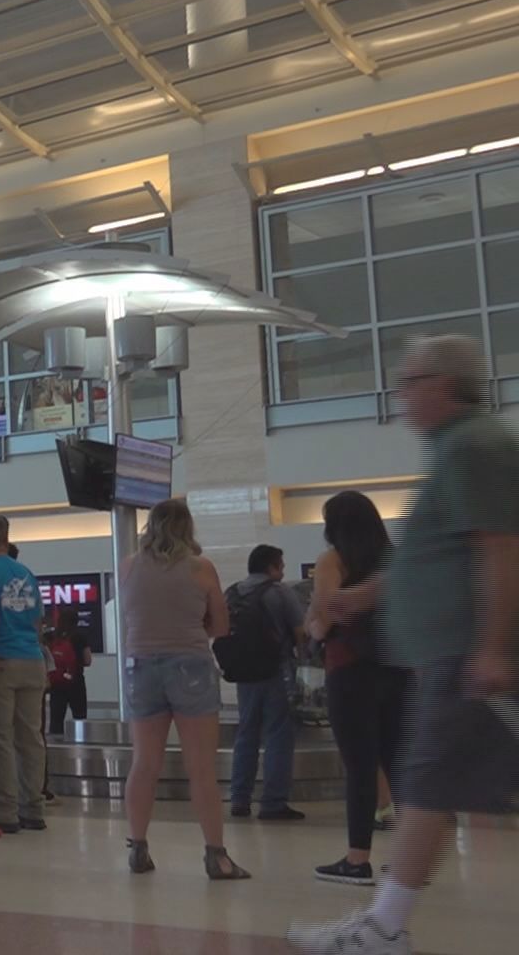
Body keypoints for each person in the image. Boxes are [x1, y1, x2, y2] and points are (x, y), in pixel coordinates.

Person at [291, 336, 519, 954]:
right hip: (449, 655)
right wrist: (361, 597)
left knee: (427, 784)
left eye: (413, 378)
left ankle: (382, 928)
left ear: (446, 385)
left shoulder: (475, 448)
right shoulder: (457, 452)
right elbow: (434, 557)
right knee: (431, 783)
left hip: (465, 654)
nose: (402, 390)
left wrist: (496, 647)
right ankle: (383, 923)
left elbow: (501, 550)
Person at [119, 498, 246, 880]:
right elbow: (221, 627)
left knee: (144, 764)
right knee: (201, 767)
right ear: (187, 526)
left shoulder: (127, 567)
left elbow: (130, 615)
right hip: (190, 664)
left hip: (140, 666)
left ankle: (137, 849)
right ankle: (216, 856)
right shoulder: (201, 567)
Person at [306, 490, 408, 887]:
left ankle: (357, 859)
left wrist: (314, 627)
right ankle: (406, 860)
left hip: (350, 671)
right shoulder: (395, 558)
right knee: (397, 764)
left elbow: (325, 617)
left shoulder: (334, 560)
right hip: (396, 668)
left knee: (360, 766)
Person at [225, 544, 308, 822]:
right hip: (275, 672)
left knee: (247, 733)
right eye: (281, 566)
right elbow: (301, 632)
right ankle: (273, 802)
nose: (283, 572)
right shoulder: (280, 592)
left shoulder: (233, 592)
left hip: (244, 674)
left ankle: (239, 799)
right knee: (279, 735)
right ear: (271, 567)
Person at [0, 514, 46, 835]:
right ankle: (33, 808)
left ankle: (2, 809)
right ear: (7, 537)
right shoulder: (26, 573)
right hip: (33, 660)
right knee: (30, 737)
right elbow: (37, 621)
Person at [46, 613, 91, 734]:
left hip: (56, 683)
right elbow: (88, 661)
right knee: (80, 717)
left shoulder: (53, 636)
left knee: (56, 720)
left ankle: (55, 748)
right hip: (76, 682)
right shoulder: (80, 636)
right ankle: (81, 744)